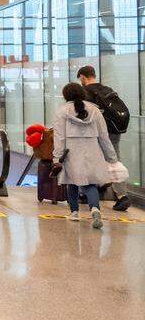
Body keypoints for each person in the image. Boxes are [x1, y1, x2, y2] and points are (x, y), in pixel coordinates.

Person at [53, 82, 119, 229]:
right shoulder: (95, 110)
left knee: (72, 182)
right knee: (90, 183)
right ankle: (95, 209)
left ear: (65, 96)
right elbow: (104, 136)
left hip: (71, 150)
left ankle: (75, 212)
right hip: (92, 149)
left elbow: (59, 137)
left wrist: (57, 158)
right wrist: (112, 157)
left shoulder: (62, 111)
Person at [76, 65, 133, 210]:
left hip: (97, 132)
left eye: (80, 79)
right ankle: (122, 196)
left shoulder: (85, 92)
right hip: (114, 131)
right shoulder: (107, 89)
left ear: (83, 77)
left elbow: (83, 115)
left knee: (87, 160)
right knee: (114, 161)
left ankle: (85, 193)